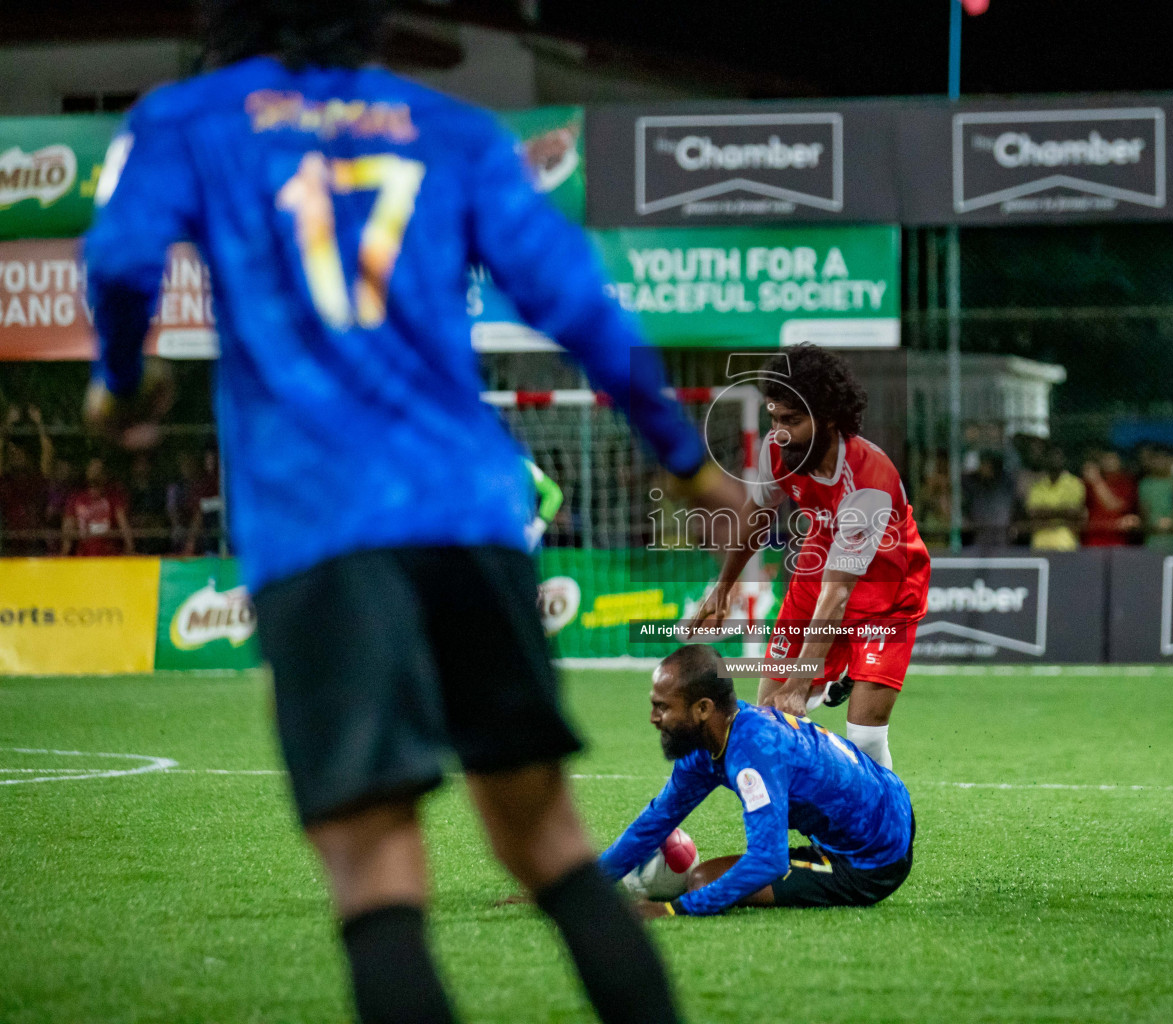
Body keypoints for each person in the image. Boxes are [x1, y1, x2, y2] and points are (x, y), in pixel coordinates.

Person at [81, 4, 743, 1021]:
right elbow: (577, 299)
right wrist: (681, 458)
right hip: (470, 519)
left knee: (375, 864)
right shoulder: (452, 129)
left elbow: (122, 262)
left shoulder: (189, 120)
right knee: (551, 842)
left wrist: (122, 383)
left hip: (323, 530)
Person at [690, 343, 928, 771]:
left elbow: (837, 595)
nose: (780, 432)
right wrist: (722, 588)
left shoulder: (869, 482)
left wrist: (801, 683)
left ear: (829, 418)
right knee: (768, 719)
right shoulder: (777, 450)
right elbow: (759, 515)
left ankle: (885, 834)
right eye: (774, 418)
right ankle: (796, 824)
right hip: (818, 565)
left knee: (865, 739)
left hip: (887, 589)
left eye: (792, 421)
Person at [600, 646, 915, 917]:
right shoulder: (708, 745)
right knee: (708, 878)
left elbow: (769, 860)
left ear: (703, 709)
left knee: (703, 882)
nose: (654, 718)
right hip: (890, 802)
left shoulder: (755, 754)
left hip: (875, 859)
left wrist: (674, 909)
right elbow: (655, 821)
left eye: (662, 707)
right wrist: (585, 886)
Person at [0, 404, 54, 555]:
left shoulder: (35, 480)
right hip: (11, 544)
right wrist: (8, 424)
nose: (14, 455)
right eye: (11, 453)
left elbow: (48, 452)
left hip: (35, 544)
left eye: (18, 452)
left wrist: (39, 423)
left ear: (28, 455)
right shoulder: (6, 482)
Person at [61, 457, 134, 556]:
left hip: (109, 557)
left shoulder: (113, 497)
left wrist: (129, 548)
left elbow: (123, 524)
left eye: (99, 470)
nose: (95, 473)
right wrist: (64, 553)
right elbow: (68, 528)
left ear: (104, 474)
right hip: (84, 557)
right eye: (93, 469)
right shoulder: (75, 498)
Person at [1024, 446, 1086, 550]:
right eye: (1051, 456)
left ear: (1065, 460)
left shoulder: (1075, 483)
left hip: (1065, 536)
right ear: (1045, 460)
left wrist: (1045, 512)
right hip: (1040, 537)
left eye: (1058, 456)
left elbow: (1074, 512)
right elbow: (1032, 513)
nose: (1054, 459)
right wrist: (1061, 512)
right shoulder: (1037, 486)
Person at [1081, 449, 1139, 547]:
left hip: (1117, 540)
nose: (1109, 461)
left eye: (1112, 458)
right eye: (1105, 458)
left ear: (1120, 461)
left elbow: (1114, 506)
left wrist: (1096, 481)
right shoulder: (1088, 483)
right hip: (1092, 540)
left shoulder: (1126, 482)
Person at [1137, 445, 1173, 551]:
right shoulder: (1145, 484)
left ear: (1170, 461)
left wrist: (1172, 522)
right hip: (1154, 536)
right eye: (1157, 459)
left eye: (1164, 458)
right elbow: (1144, 511)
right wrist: (1156, 523)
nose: (1160, 462)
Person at [524, 457, 564, 547]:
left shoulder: (522, 464)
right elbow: (554, 494)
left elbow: (554, 494)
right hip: (518, 537)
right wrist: (537, 528)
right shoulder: (522, 463)